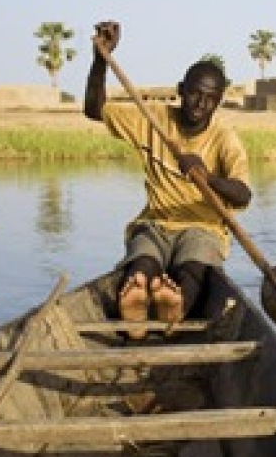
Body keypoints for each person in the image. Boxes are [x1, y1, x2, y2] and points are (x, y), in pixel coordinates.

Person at [84, 21, 252, 338]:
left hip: (203, 228)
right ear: (181, 91)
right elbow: (95, 109)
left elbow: (243, 195)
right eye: (194, 94)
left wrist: (207, 176)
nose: (200, 104)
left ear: (218, 101)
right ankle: (137, 300)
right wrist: (99, 59)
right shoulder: (155, 119)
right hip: (155, 223)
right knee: (143, 260)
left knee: (194, 267)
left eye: (210, 98)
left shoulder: (224, 138)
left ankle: (175, 305)